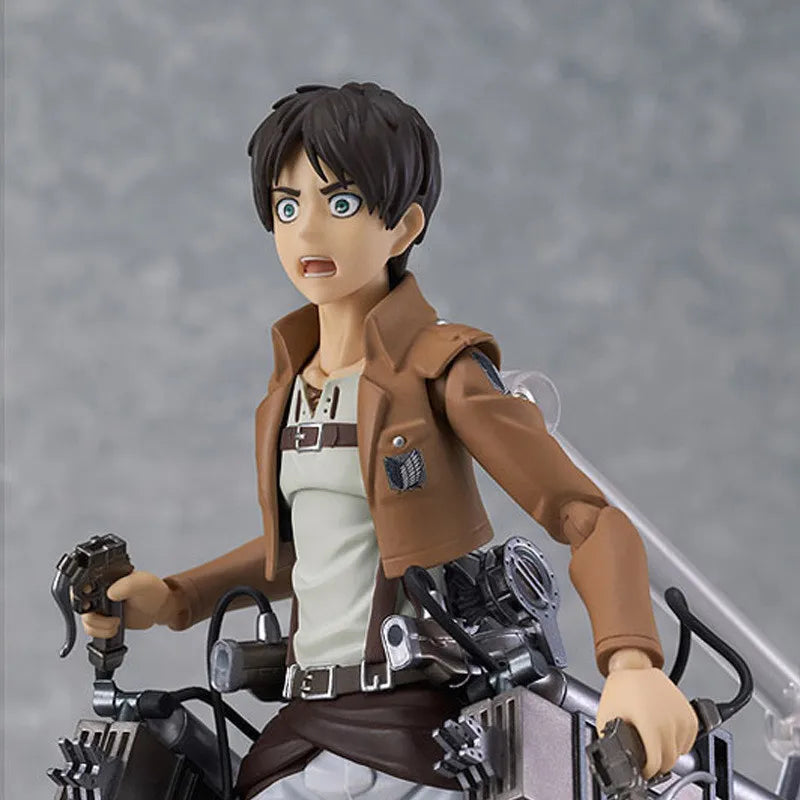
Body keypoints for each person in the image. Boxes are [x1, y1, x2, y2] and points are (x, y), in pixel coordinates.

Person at [82, 82, 697, 800]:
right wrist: (174, 598)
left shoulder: (440, 370)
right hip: (306, 725)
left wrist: (632, 663)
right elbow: (308, 552)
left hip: (417, 731)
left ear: (403, 226)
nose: (308, 232)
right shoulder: (290, 392)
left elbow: (583, 514)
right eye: (288, 206)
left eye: (340, 203)